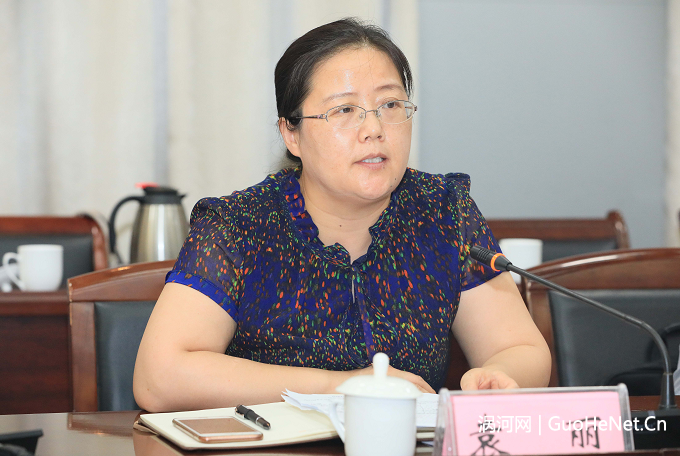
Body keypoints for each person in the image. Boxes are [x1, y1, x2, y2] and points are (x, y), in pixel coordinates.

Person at [133, 18, 551, 413]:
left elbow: (520, 349)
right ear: (291, 134)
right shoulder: (241, 225)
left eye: (390, 104)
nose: (374, 129)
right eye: (344, 110)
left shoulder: (441, 211)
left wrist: (499, 375)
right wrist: (340, 388)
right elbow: (159, 377)